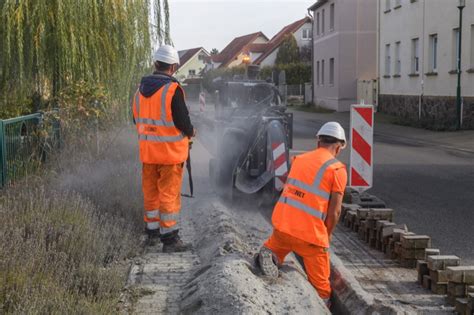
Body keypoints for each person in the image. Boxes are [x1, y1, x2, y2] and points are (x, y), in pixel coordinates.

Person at [256, 122, 348, 307]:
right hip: (310, 238)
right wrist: (326, 236)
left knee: (274, 249)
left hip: (283, 228)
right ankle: (319, 307)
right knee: (322, 289)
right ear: (338, 148)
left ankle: (271, 256)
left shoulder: (299, 159)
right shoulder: (337, 169)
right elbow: (335, 211)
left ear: (318, 142)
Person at [132, 45, 195, 252]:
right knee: (168, 195)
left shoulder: (139, 91)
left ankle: (151, 233)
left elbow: (135, 119)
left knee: (150, 193)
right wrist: (191, 133)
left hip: (148, 154)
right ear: (174, 67)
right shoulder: (172, 90)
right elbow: (183, 122)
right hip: (169, 155)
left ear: (155, 64)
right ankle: (169, 239)